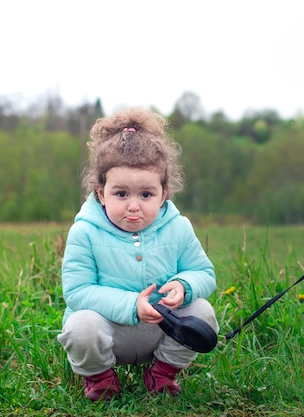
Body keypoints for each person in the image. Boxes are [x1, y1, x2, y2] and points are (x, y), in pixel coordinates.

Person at [57, 108, 218, 402]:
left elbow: (204, 274)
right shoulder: (85, 232)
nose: (134, 206)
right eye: (121, 194)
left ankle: (162, 373)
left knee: (203, 313)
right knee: (81, 326)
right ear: (101, 193)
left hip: (160, 327)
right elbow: (77, 291)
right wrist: (131, 304)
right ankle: (100, 378)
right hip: (108, 331)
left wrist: (184, 285)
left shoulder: (178, 228)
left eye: (146, 195)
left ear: (164, 193)